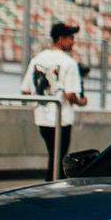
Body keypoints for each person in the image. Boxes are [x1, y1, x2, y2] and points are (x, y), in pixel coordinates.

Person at [21, 21, 87, 181]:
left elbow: (25, 90)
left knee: (54, 157)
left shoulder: (37, 60)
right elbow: (69, 95)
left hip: (43, 118)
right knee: (59, 159)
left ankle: (53, 187)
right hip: (61, 119)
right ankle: (51, 190)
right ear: (61, 39)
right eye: (70, 38)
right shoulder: (69, 63)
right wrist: (81, 101)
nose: (73, 42)